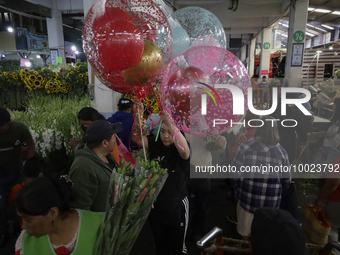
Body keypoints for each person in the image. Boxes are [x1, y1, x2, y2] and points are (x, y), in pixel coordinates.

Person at [133, 112, 190, 255]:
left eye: (170, 133)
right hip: (156, 207)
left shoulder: (180, 150)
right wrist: (137, 116)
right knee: (160, 245)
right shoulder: (156, 144)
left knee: (177, 247)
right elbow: (137, 139)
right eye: (163, 131)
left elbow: (184, 151)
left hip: (176, 208)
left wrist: (170, 123)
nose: (165, 136)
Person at [232, 116, 291, 238]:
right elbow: (286, 181)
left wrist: (237, 188)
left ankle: (245, 247)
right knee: (265, 235)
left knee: (246, 233)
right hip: (271, 203)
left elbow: (234, 174)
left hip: (247, 198)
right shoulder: (282, 152)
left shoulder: (245, 147)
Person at [14, 175, 104, 255]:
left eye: (27, 220)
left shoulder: (103, 226)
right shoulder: (25, 243)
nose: (24, 226)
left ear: (53, 212)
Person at [0, 107, 35, 247]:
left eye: (1, 125)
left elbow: (31, 144)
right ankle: (3, 231)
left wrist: (29, 162)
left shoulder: (19, 128)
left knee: (19, 200)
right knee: (1, 205)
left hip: (17, 171)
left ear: (9, 122)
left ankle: (18, 227)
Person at [69, 120, 122, 212]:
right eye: (114, 136)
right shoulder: (83, 167)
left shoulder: (106, 157)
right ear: (104, 143)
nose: (115, 139)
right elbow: (81, 208)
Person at [315, 154, 340, 250]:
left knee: (332, 230)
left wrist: (320, 200)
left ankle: (333, 252)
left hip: (337, 200)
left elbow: (333, 182)